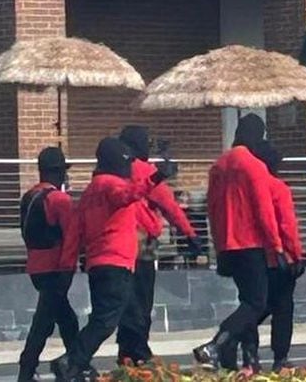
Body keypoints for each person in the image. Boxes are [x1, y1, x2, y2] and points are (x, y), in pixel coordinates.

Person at [50, 137, 178, 381]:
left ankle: (127, 357)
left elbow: (75, 232)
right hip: (116, 261)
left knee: (119, 313)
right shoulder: (110, 184)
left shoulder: (89, 192)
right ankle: (71, 361)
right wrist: (156, 177)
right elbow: (126, 195)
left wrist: (66, 267)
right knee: (107, 320)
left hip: (98, 264)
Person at [193, 114, 287, 369]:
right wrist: (276, 246)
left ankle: (249, 360)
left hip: (227, 244)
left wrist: (217, 245)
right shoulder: (253, 165)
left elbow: (211, 209)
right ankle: (217, 344)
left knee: (247, 301)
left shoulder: (218, 166)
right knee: (257, 303)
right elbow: (263, 209)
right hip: (250, 244)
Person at [116, 125, 203, 365]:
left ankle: (126, 351)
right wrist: (191, 235)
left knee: (126, 302)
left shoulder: (113, 171)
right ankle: (140, 352)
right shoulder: (145, 171)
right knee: (142, 301)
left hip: (115, 245)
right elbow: (170, 207)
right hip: (142, 244)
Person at [224, 140, 304, 373]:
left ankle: (250, 357)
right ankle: (280, 358)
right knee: (282, 308)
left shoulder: (244, 187)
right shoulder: (279, 188)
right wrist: (296, 254)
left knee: (252, 305)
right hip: (278, 257)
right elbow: (287, 225)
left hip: (251, 255)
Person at [17, 147, 78, 382]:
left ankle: (76, 364)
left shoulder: (28, 197)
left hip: (35, 266)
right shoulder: (59, 200)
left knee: (66, 319)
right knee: (44, 322)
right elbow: (71, 238)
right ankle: (28, 367)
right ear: (59, 173)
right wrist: (68, 269)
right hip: (55, 267)